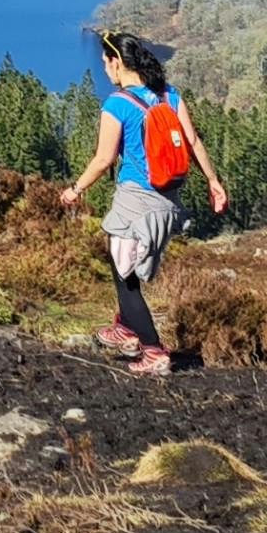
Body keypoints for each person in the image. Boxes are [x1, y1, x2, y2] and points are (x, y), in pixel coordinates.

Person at [57, 27, 227, 376]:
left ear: (117, 63)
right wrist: (213, 182)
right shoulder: (170, 96)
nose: (105, 70)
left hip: (135, 202)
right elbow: (193, 142)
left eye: (106, 63)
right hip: (169, 203)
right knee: (127, 268)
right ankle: (125, 327)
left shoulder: (118, 104)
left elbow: (104, 159)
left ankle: (152, 350)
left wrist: (75, 189)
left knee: (125, 277)